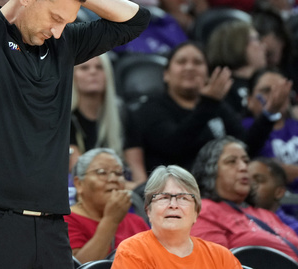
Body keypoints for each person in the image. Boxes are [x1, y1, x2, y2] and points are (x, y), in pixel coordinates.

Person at [0, 0, 150, 268]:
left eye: (66, 23)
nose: (57, 31)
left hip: (52, 227)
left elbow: (136, 19)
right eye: (55, 17)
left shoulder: (62, 45)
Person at [122, 42, 280, 184]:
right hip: (176, 192)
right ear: (166, 74)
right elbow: (174, 147)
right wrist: (208, 104)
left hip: (223, 192)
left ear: (207, 74)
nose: (190, 67)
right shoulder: (150, 109)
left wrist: (269, 115)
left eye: (197, 62)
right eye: (181, 62)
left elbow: (245, 147)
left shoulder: (217, 106)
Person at [112, 165, 242, 268]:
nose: (173, 205)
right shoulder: (132, 252)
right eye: (164, 197)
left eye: (183, 198)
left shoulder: (221, 257)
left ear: (196, 212)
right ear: (148, 211)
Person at [191, 136, 298, 261]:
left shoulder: (264, 213)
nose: (243, 167)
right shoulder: (204, 211)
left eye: (246, 161)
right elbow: (214, 264)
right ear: (210, 170)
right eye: (231, 161)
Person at [67, 148, 149, 263]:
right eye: (102, 172)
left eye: (118, 173)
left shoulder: (136, 222)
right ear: (79, 184)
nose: (113, 179)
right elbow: (79, 266)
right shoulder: (66, 220)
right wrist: (111, 221)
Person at [70, 54, 123, 171]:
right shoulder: (63, 120)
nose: (93, 72)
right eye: (84, 68)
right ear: (72, 76)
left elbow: (136, 171)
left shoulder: (124, 114)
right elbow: (80, 170)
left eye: (99, 67)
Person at [207, 20, 268, 116]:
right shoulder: (221, 89)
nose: (263, 46)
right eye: (256, 39)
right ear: (238, 44)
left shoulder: (264, 81)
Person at [249, 157, 298, 235]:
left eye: (258, 180)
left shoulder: (294, 229)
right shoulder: (233, 218)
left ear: (279, 192)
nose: (250, 185)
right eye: (246, 180)